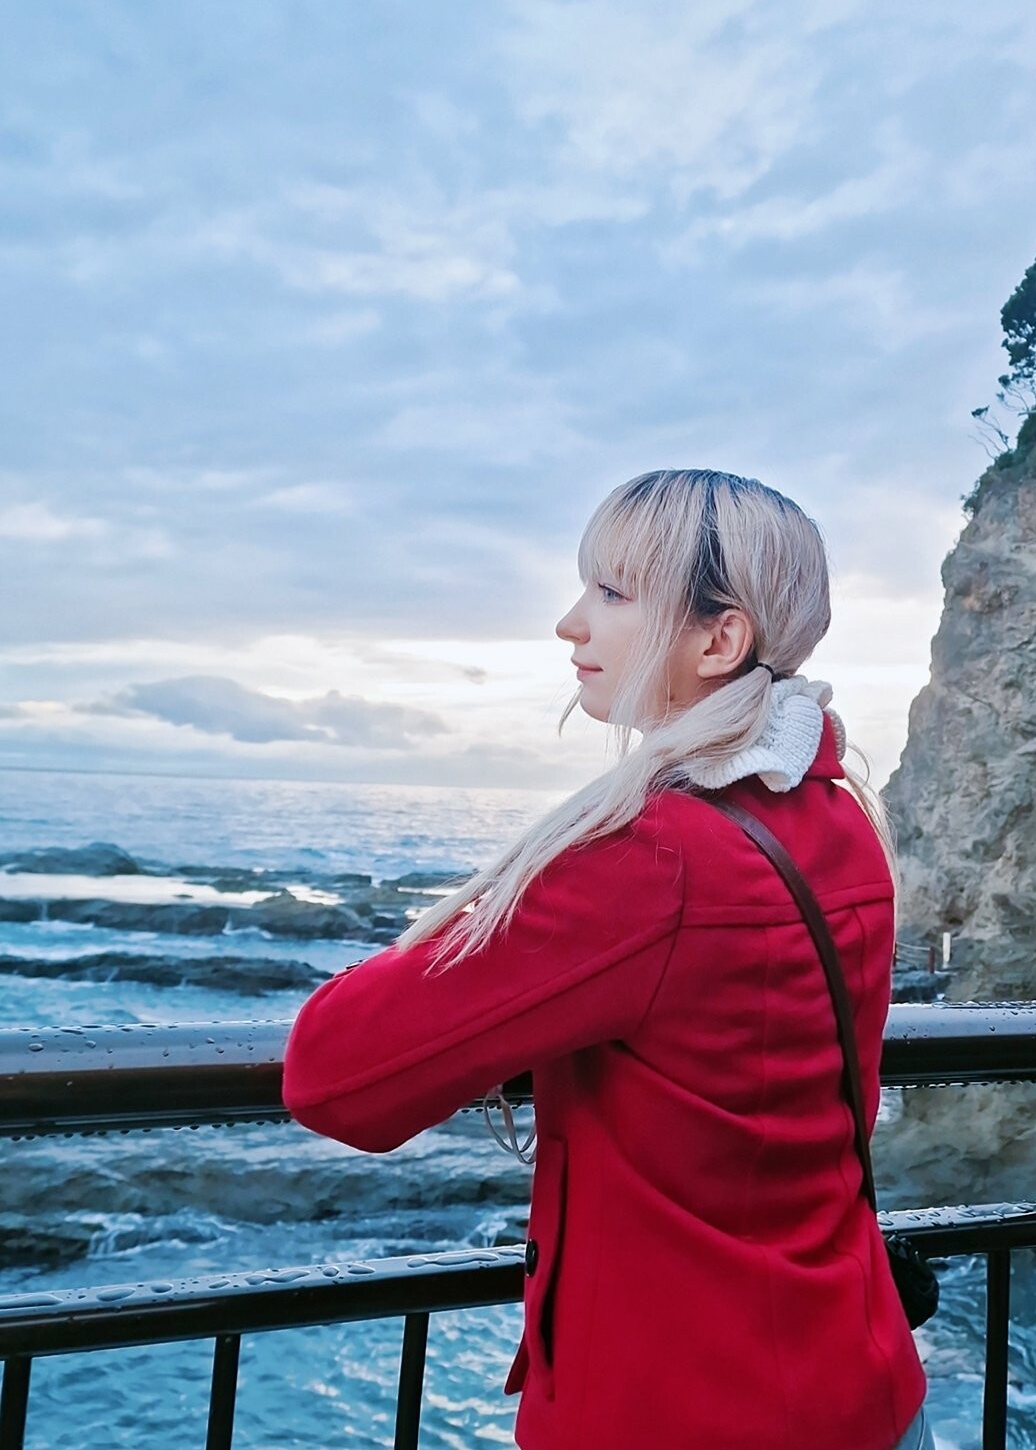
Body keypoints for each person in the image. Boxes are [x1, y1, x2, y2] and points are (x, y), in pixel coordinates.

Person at [282, 468, 932, 1450]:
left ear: (718, 639)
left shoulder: (650, 857)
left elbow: (333, 1074)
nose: (570, 623)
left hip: (679, 1415)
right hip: (860, 1385)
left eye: (613, 592)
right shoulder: (838, 816)